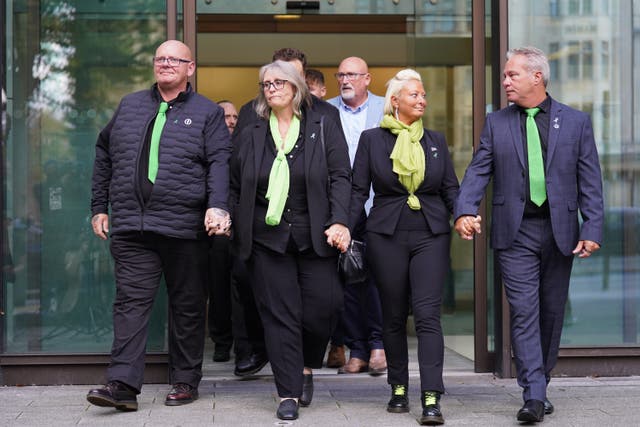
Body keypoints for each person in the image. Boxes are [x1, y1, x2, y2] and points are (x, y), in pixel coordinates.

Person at [454, 46, 604, 423]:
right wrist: (465, 210)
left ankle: (541, 381)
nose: (504, 81)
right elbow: (478, 171)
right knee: (522, 312)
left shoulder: (576, 122)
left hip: (561, 231)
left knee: (551, 313)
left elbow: (590, 180)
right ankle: (533, 394)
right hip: (515, 232)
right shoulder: (496, 123)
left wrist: (593, 227)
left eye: (511, 75)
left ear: (537, 77)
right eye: (505, 75)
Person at [87, 40, 232, 411]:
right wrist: (98, 206)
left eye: (174, 59)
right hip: (133, 227)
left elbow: (219, 161)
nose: (166, 64)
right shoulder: (130, 105)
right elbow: (103, 151)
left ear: (190, 68)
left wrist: (217, 206)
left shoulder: (206, 112)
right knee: (131, 304)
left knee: (186, 305)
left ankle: (184, 380)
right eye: (160, 59)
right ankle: (121, 385)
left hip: (184, 227)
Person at [229, 60, 351, 421]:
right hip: (266, 237)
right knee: (279, 316)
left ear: (297, 87)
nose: (272, 88)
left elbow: (341, 174)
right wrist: (231, 218)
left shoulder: (323, 122)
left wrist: (340, 220)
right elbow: (235, 181)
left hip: (315, 232)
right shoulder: (252, 127)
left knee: (323, 308)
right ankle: (288, 393)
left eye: (279, 82)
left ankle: (306, 365)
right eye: (266, 84)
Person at [349, 69, 458, 425]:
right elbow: (356, 191)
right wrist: (342, 226)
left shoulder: (437, 141)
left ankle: (431, 396)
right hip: (386, 234)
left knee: (427, 315)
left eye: (424, 95)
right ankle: (398, 387)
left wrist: (463, 215)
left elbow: (450, 190)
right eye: (414, 95)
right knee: (393, 315)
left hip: (431, 234)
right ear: (395, 101)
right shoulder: (372, 140)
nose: (422, 100)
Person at [326, 56, 386, 374]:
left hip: (377, 205)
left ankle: (378, 345)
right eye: (341, 74)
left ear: (367, 78)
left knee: (377, 278)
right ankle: (357, 349)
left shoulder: (386, 107)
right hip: (340, 207)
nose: (345, 80)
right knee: (347, 278)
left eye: (352, 74)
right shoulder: (324, 110)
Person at [206, 100, 239, 363]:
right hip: (213, 232)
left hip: (241, 230)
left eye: (235, 116)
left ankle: (245, 345)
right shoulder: (204, 148)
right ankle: (221, 342)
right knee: (217, 288)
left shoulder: (246, 148)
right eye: (225, 116)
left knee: (242, 289)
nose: (230, 120)